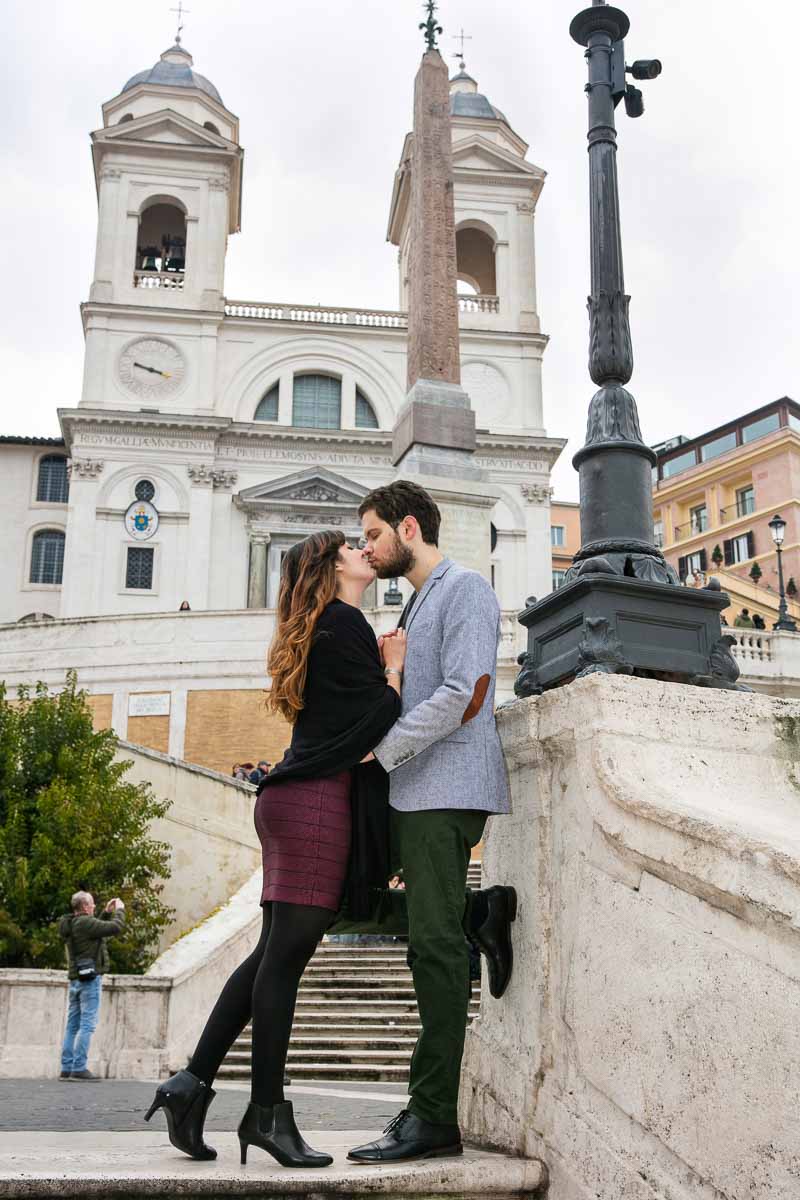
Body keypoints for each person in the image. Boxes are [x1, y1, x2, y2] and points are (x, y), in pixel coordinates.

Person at [144, 530, 406, 1168]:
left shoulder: (322, 626)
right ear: (330, 565)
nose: (362, 550)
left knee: (270, 954)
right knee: (284, 962)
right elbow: (376, 718)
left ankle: (190, 1085)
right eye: (350, 545)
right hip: (315, 805)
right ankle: (266, 1115)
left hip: (291, 802)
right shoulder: (342, 623)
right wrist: (394, 666)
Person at [343, 479, 516, 1165]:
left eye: (374, 535)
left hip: (443, 790)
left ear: (408, 528)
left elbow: (467, 693)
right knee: (347, 907)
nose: (368, 547)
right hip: (409, 791)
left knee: (433, 952)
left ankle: (434, 1115)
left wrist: (381, 749)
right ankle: (477, 913)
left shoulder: (466, 588)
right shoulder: (418, 604)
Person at [59, 892, 126, 1080]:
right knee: (87, 1024)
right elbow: (115, 927)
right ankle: (79, 1067)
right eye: (93, 905)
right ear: (86, 906)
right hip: (90, 980)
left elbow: (96, 930)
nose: (94, 907)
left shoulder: (72, 923)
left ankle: (67, 1067)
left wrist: (105, 912)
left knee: (72, 1026)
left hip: (75, 979)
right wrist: (119, 910)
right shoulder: (85, 923)